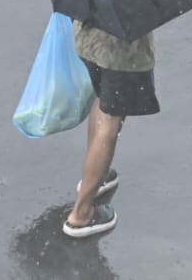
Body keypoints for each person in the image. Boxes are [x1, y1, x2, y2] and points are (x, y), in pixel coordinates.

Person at [62, 19, 159, 238]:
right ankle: (81, 214)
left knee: (102, 98)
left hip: (87, 38)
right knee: (110, 120)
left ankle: (96, 176)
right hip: (118, 50)